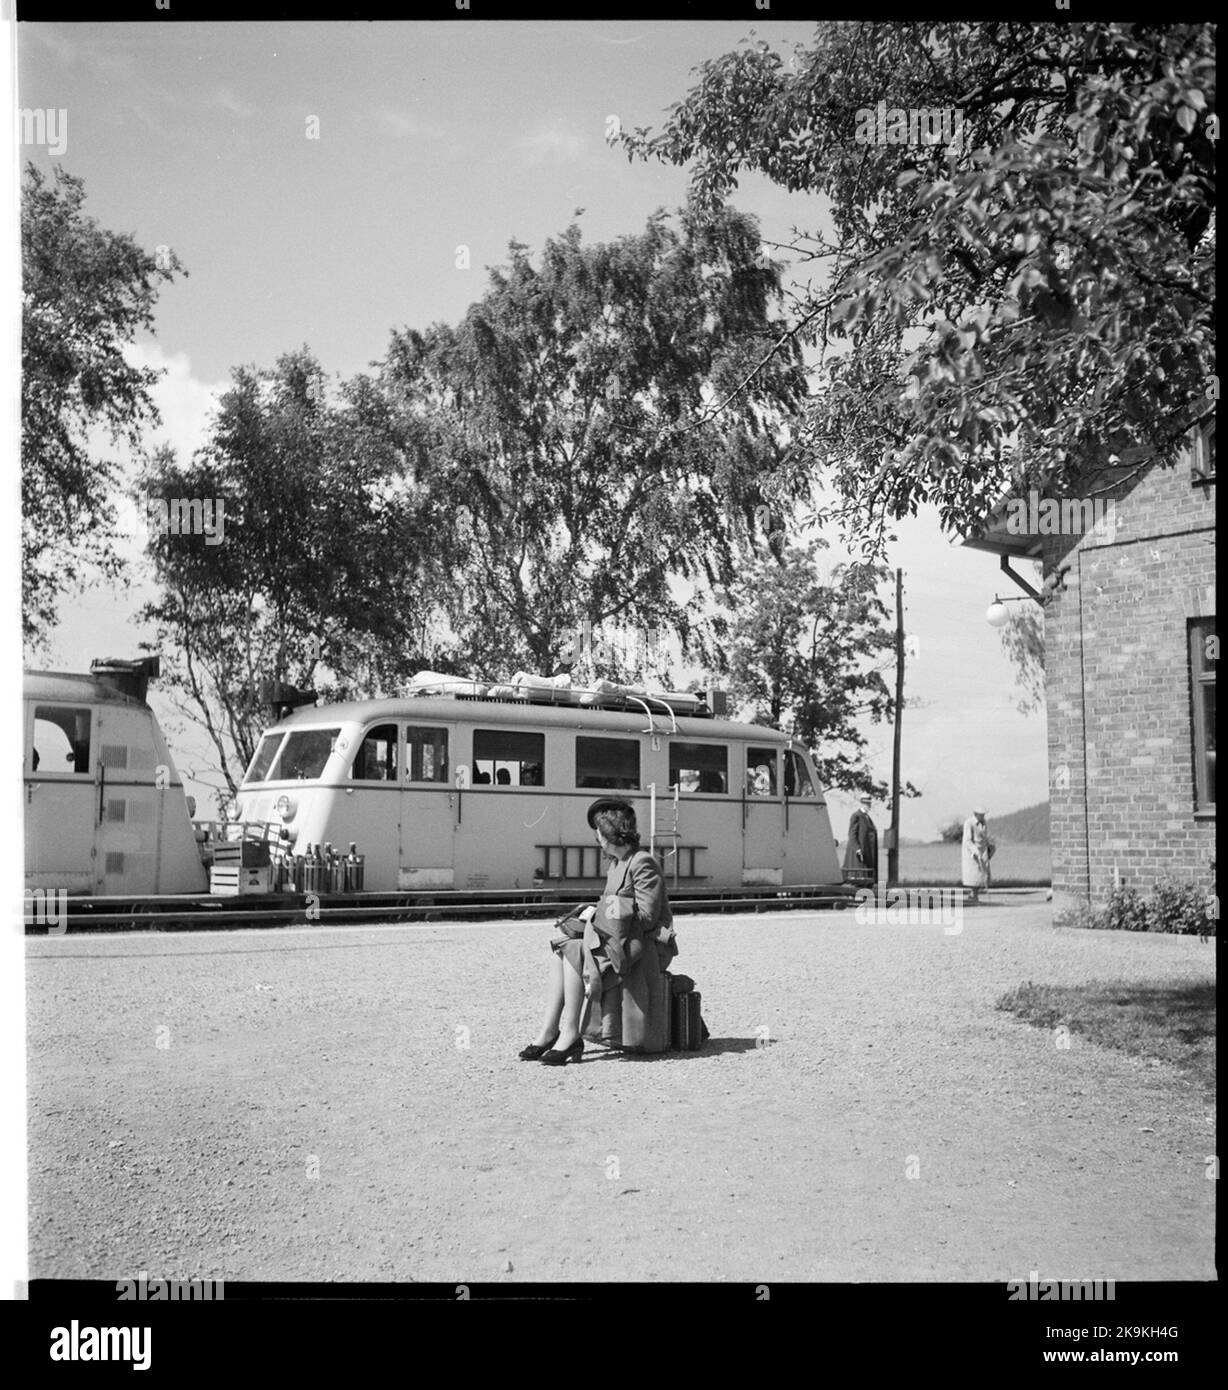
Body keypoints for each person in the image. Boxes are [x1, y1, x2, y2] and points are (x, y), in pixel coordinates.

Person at [520, 798, 675, 1066]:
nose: (597, 839)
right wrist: (596, 913)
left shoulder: (642, 863)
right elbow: (615, 909)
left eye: (600, 834)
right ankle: (549, 1032)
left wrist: (601, 912)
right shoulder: (616, 864)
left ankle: (569, 1035)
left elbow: (648, 918)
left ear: (611, 835)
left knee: (572, 950)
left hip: (642, 946)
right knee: (562, 947)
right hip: (619, 940)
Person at [843, 794, 878, 884]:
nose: (869, 806)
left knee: (868, 878)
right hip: (860, 853)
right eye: (867, 804)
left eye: (869, 804)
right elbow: (852, 834)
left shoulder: (867, 817)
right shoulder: (856, 816)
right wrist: (857, 849)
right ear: (862, 804)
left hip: (868, 852)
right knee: (859, 878)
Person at [962, 806, 994, 904]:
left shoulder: (984, 823)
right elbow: (968, 840)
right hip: (973, 852)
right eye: (981, 814)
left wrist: (990, 847)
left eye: (983, 814)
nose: (983, 816)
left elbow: (984, 837)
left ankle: (973, 895)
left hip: (983, 850)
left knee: (982, 874)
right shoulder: (969, 823)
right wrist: (975, 851)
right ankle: (973, 895)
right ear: (975, 814)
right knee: (974, 874)